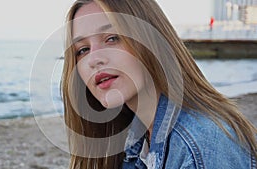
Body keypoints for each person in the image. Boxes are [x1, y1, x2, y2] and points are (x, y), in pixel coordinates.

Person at [60, 0, 257, 168]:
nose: (94, 59)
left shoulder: (200, 144)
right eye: (83, 50)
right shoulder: (137, 137)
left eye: (112, 38)